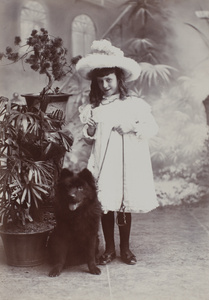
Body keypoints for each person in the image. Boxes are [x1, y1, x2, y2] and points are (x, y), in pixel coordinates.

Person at [76, 39, 159, 265]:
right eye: (101, 81)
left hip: (124, 164)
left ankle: (126, 249)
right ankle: (110, 249)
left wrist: (132, 127)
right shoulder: (94, 108)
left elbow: (152, 127)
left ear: (118, 79)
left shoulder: (133, 104)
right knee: (105, 206)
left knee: (122, 205)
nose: (105, 85)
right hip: (104, 162)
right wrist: (90, 129)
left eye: (109, 80)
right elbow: (88, 137)